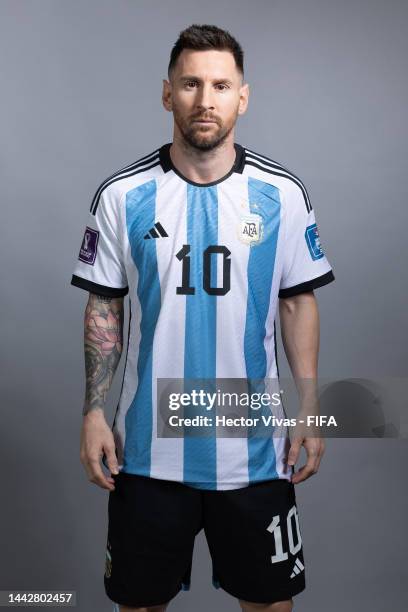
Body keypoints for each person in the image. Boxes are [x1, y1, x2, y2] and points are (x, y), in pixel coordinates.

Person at [71, 23, 335, 612]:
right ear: (168, 94)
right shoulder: (123, 194)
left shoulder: (282, 193)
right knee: (139, 605)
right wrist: (93, 410)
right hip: (145, 450)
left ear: (243, 96)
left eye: (220, 85)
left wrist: (312, 408)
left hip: (256, 449)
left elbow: (297, 301)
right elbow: (105, 303)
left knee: (269, 606)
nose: (204, 99)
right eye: (190, 84)